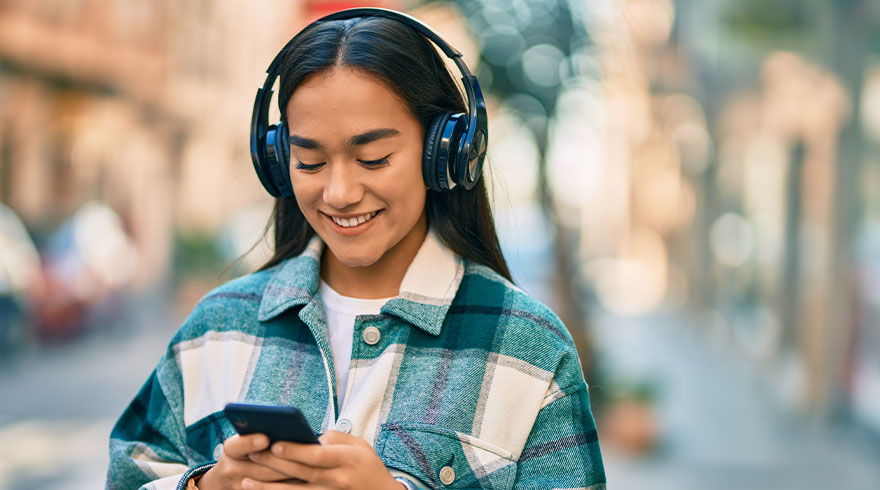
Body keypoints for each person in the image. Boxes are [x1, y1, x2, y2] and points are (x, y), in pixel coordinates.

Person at [106, 8, 606, 490]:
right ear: (279, 163)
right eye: (309, 162)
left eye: (372, 158)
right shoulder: (215, 330)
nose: (339, 193)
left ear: (446, 154)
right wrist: (207, 486)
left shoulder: (529, 348)